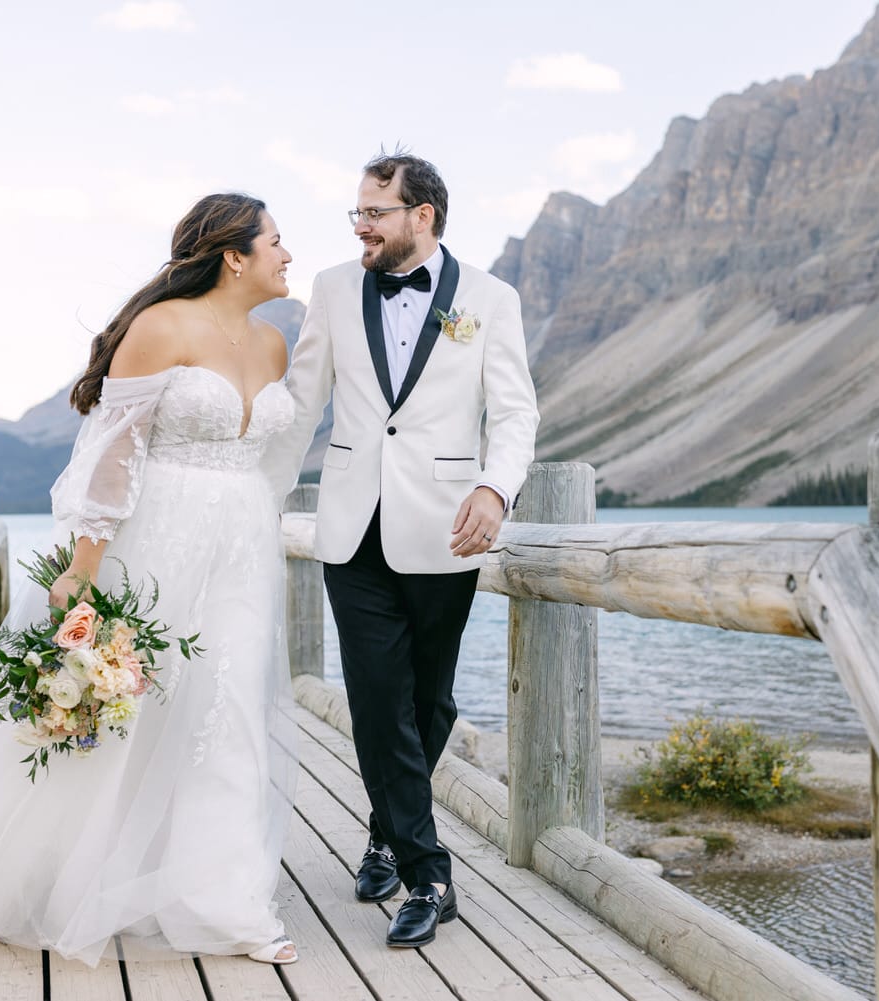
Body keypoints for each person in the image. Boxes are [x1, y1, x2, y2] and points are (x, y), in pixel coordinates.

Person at [0, 193, 304, 967]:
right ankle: (32, 873)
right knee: (122, 706)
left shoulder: (274, 345)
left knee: (226, 707)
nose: (289, 256)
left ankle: (227, 901)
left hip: (245, 544)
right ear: (234, 254)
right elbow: (113, 453)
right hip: (156, 536)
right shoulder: (160, 328)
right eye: (278, 242)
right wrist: (83, 573)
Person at [268, 152, 538, 947]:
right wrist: (259, 491)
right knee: (378, 698)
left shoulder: (491, 298)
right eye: (356, 212)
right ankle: (430, 874)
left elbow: (515, 413)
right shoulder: (330, 289)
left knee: (429, 701)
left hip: (447, 524)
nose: (361, 225)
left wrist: (496, 489)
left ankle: (386, 833)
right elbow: (302, 405)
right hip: (351, 529)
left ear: (422, 215)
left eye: (375, 212)